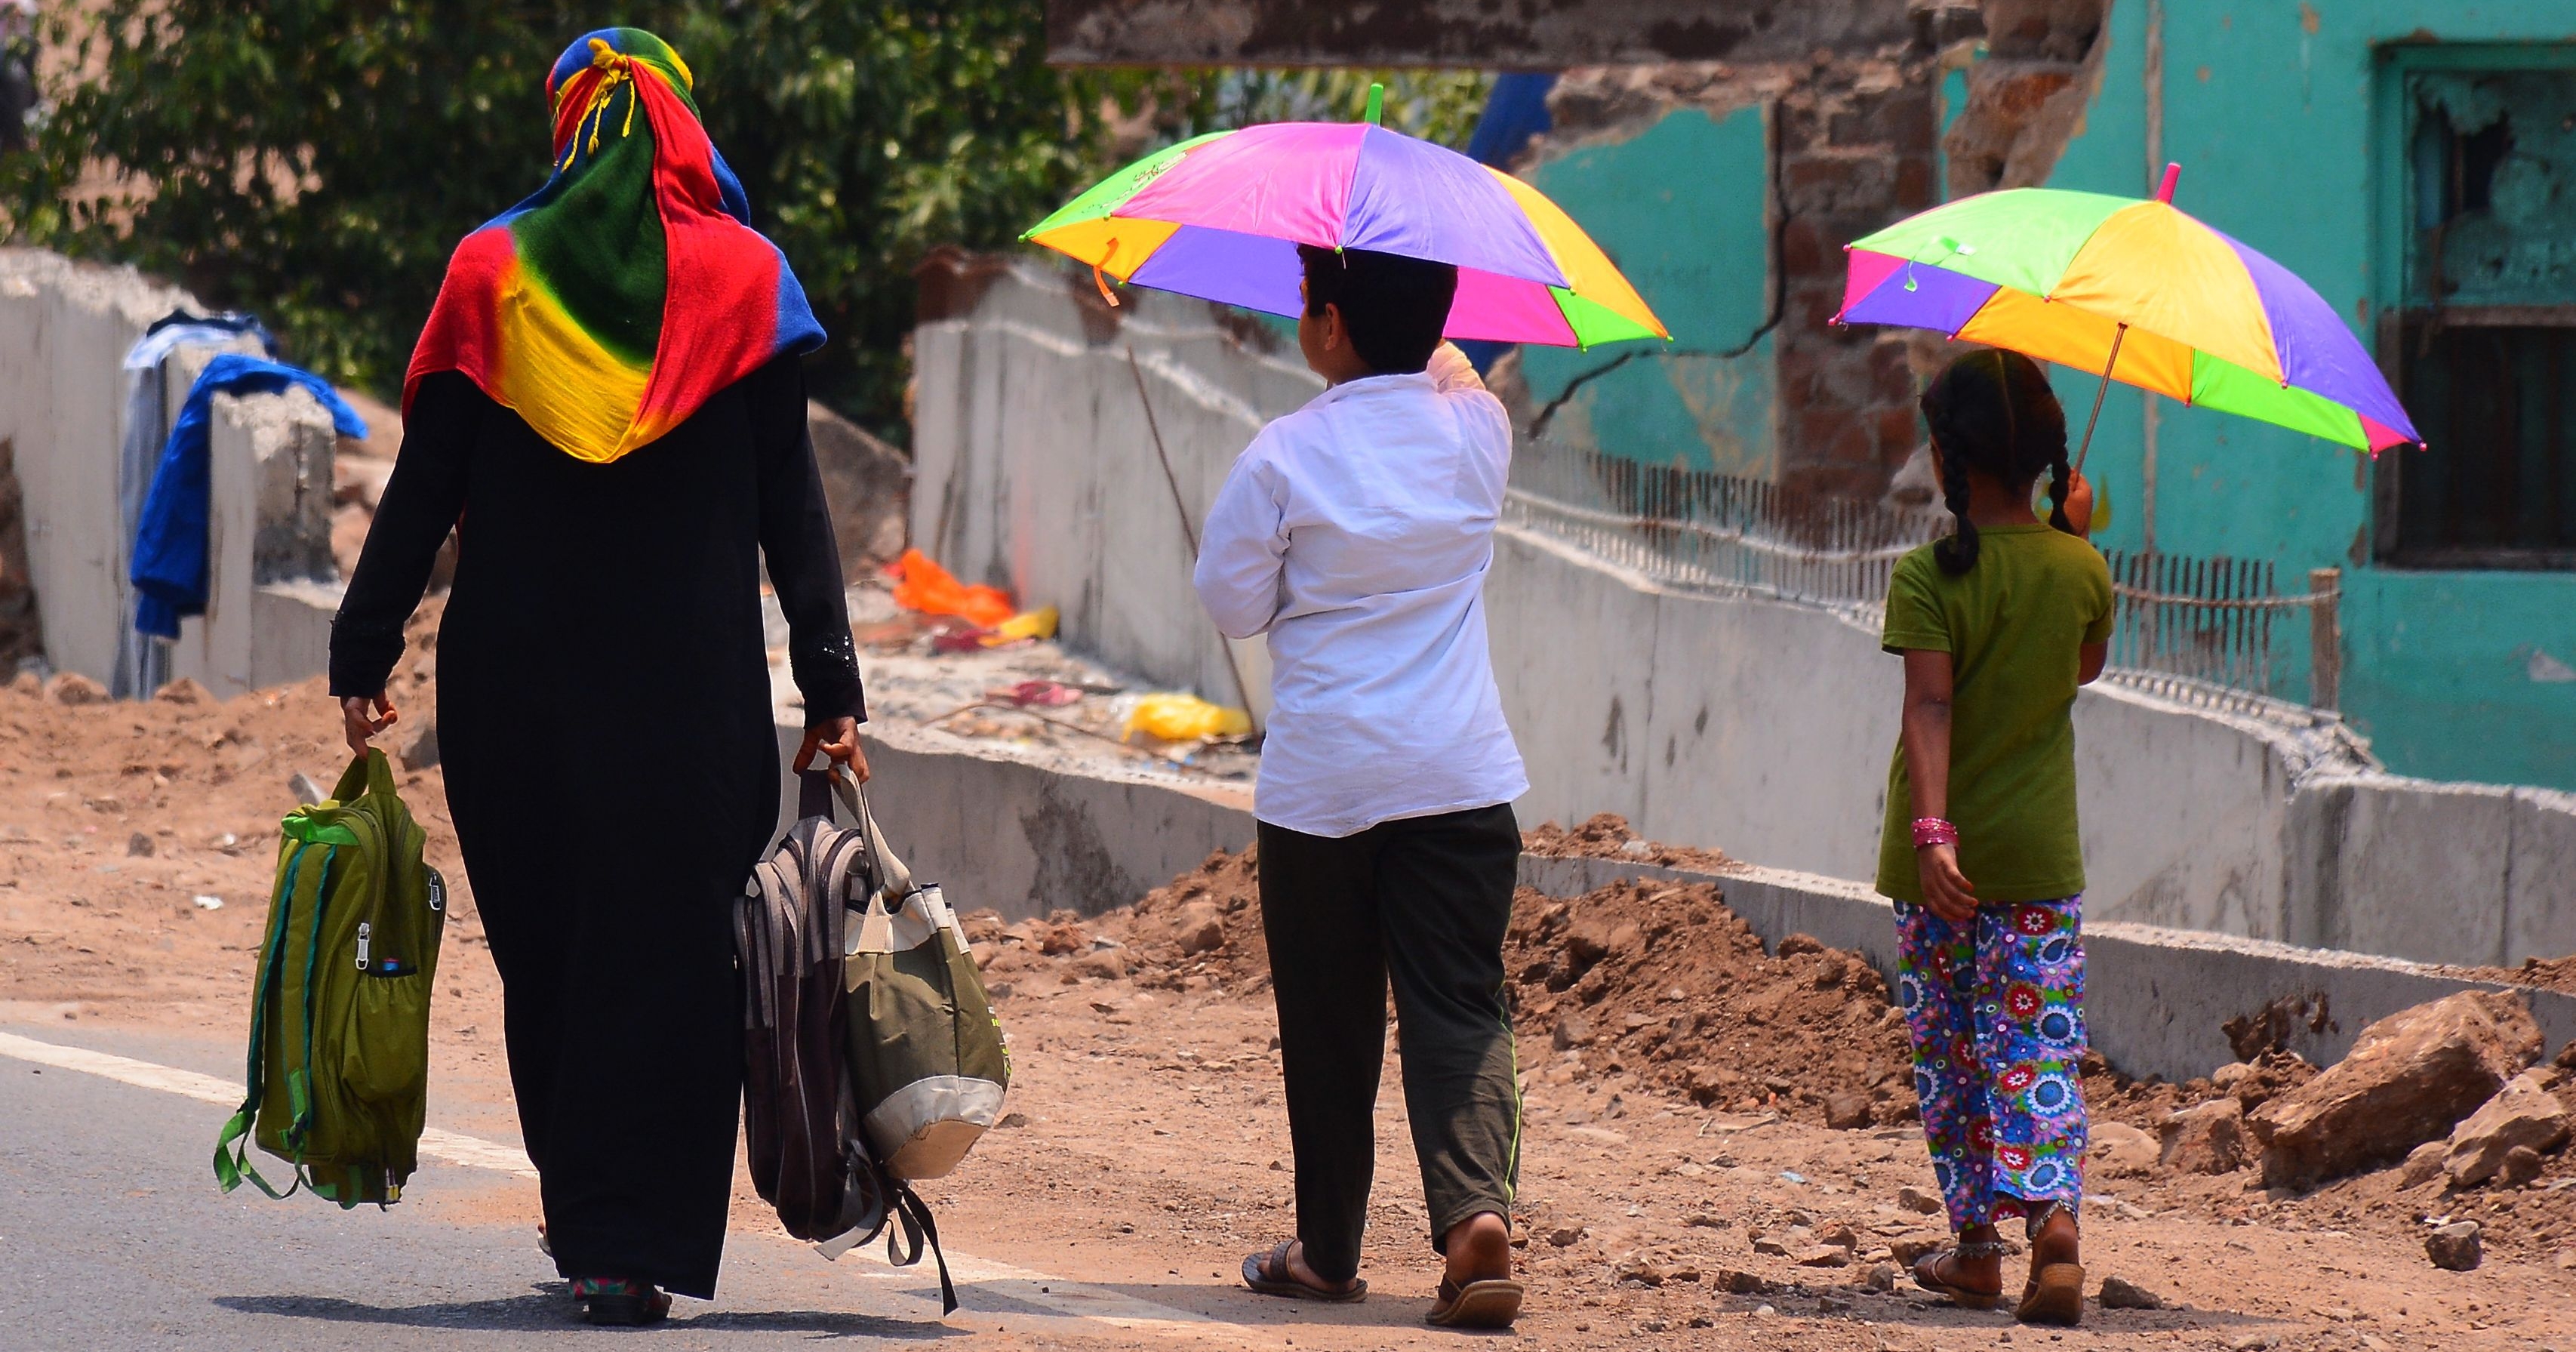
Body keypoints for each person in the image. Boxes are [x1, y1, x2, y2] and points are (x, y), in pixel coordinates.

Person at [329, 28, 865, 1327]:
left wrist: (363, 648)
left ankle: (591, 1223)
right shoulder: (748, 281)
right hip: (694, 702)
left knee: (556, 949)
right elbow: (793, 508)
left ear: (571, 128)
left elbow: (424, 488)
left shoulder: (493, 275)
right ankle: (642, 1239)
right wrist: (831, 684)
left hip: (518, 697)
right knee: (678, 958)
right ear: (687, 130)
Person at [1194, 244, 1528, 1331]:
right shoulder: (1479, 431)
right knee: (1458, 1006)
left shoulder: (1283, 452)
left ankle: (1328, 1253)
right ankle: (1475, 1216)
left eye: (1304, 299)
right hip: (1459, 772)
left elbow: (1234, 606)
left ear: (1329, 325)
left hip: (1323, 786)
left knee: (1329, 1023)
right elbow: (1462, 377)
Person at [1876, 348, 2108, 1327]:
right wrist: (2069, 536)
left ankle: (1974, 1246)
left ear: (1947, 459)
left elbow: (1927, 710)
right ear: (2043, 461)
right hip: (2039, 867)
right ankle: (2049, 1224)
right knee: (2035, 1048)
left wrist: (1934, 835)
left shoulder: (1927, 577)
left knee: (1952, 1055)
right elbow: (2084, 668)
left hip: (1937, 868)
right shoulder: (2082, 569)